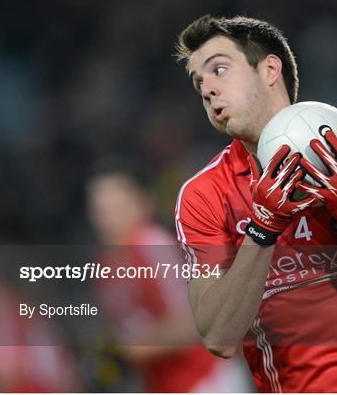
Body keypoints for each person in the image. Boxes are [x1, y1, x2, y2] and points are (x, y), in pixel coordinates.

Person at [173, 15, 337, 392]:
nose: (207, 89)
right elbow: (218, 337)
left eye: (219, 70)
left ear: (269, 69)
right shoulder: (204, 195)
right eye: (198, 81)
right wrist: (263, 230)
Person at [86, 158, 251, 392]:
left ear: (144, 202)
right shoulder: (104, 264)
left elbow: (190, 323)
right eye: (102, 210)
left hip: (206, 380)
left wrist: (129, 351)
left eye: (118, 207)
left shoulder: (150, 244)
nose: (110, 219)